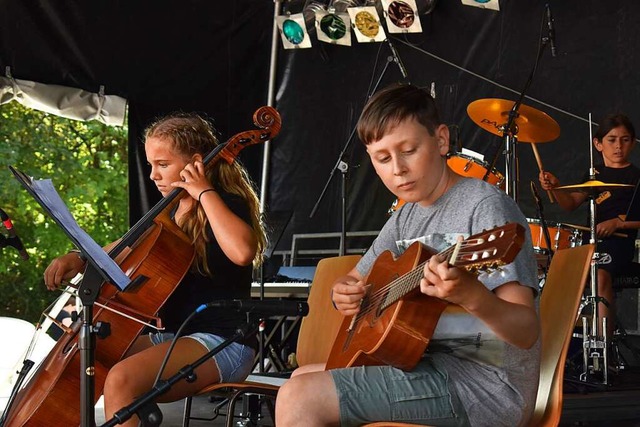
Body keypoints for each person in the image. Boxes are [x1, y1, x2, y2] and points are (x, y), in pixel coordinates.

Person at [275, 83, 540, 427]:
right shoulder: (405, 215)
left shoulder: (485, 207)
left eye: (409, 150)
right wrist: (343, 293)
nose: (397, 168)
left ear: (441, 141)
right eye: (382, 158)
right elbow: (356, 278)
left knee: (300, 398)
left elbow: (526, 331)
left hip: (483, 389)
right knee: (299, 378)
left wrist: (473, 296)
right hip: (423, 365)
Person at [43, 112, 267, 426]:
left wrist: (203, 190)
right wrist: (78, 257)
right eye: (150, 165)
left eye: (163, 164)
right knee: (93, 350)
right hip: (175, 336)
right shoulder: (171, 211)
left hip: (225, 341)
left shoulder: (225, 202)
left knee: (122, 379)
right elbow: (125, 245)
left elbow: (243, 252)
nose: (153, 175)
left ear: (196, 163)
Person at [539, 113, 640, 338]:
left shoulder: (636, 176)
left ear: (632, 143)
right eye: (612, 140)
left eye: (625, 139)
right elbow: (570, 204)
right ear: (598, 144)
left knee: (600, 275)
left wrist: (617, 224)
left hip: (619, 245)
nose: (618, 146)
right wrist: (555, 188)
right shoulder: (594, 174)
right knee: (558, 273)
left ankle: (602, 348)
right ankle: (559, 344)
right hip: (591, 241)